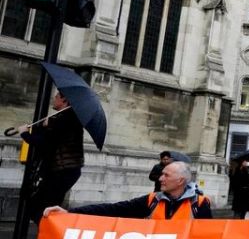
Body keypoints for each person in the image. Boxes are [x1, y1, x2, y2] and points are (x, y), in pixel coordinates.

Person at [44, 161, 211, 220]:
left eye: (166, 175)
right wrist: (69, 212)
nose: (160, 179)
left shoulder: (200, 204)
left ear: (180, 180)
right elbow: (114, 209)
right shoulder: (152, 200)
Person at [15, 91, 84, 224]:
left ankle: (51, 234)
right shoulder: (67, 117)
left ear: (64, 101)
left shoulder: (65, 119)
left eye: (57, 97)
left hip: (62, 171)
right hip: (65, 170)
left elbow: (45, 144)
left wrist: (24, 134)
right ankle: (50, 232)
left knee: (40, 207)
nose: (54, 99)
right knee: (45, 206)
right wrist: (46, 126)